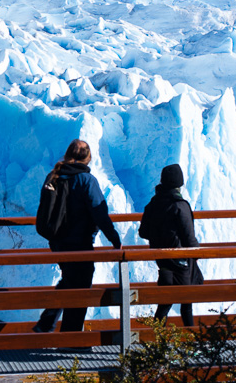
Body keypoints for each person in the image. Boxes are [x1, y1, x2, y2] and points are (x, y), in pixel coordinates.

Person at [34, 139, 122, 334]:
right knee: (80, 288)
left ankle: (47, 321)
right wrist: (114, 238)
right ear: (88, 158)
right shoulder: (86, 180)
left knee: (69, 281)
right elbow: (99, 212)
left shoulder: (54, 176)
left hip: (57, 241)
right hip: (79, 244)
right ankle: (71, 335)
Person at [138, 163, 202, 327]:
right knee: (186, 303)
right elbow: (189, 237)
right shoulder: (180, 206)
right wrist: (197, 253)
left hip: (162, 260)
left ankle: (156, 339)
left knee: (165, 302)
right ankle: (192, 340)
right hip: (180, 261)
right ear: (179, 183)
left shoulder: (153, 204)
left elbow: (143, 232)